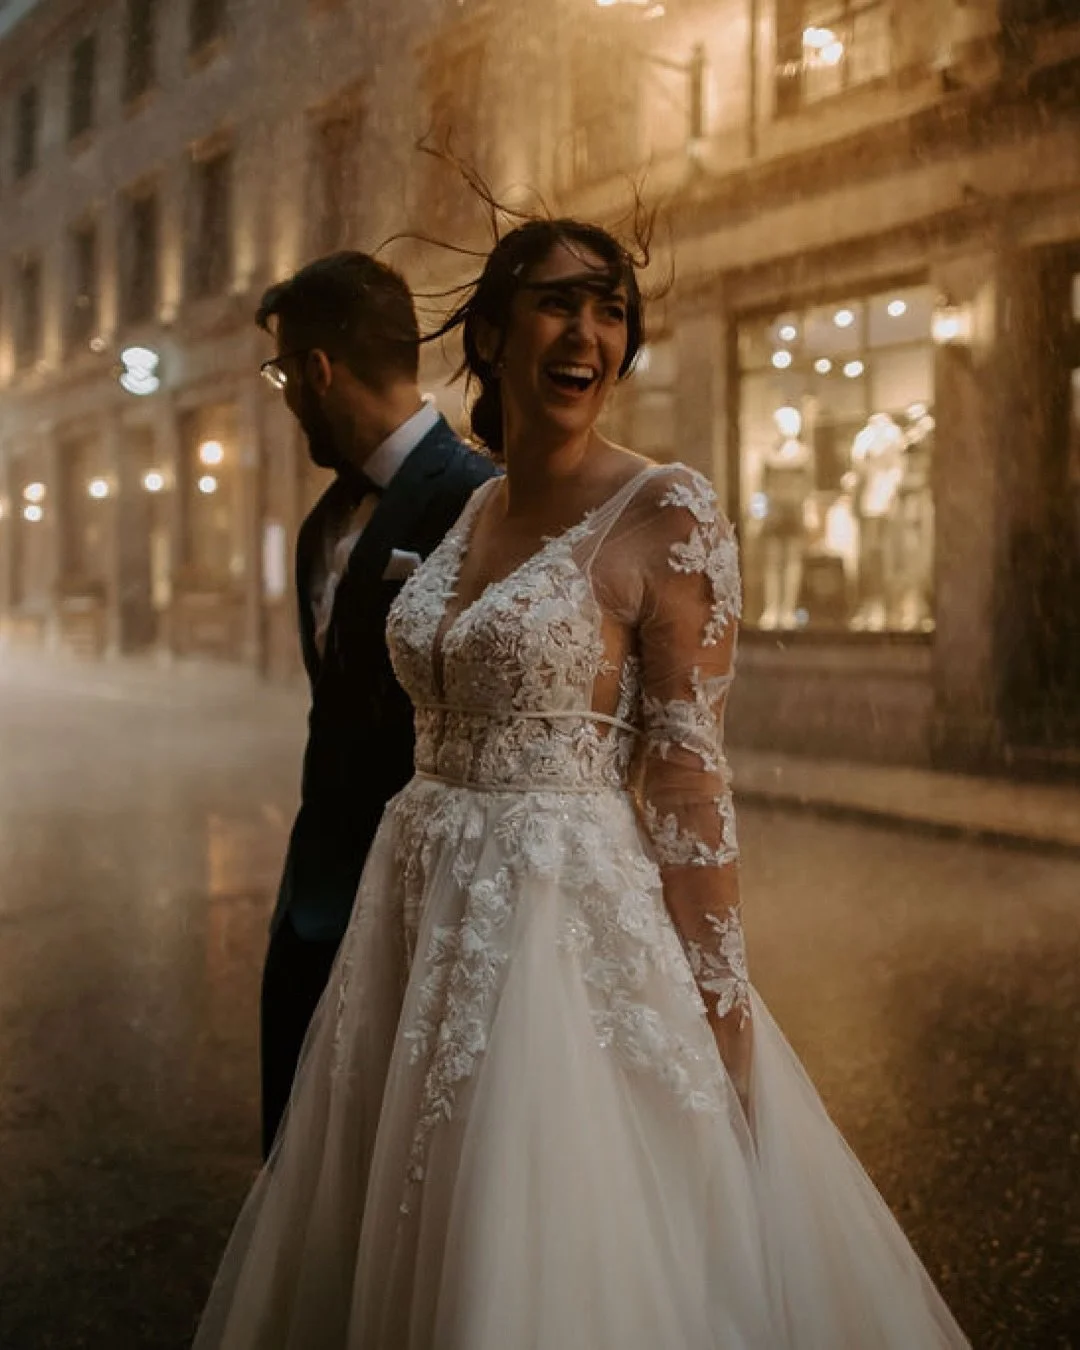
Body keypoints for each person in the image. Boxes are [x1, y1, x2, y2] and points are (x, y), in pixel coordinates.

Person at [195, 222, 971, 1348]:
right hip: (411, 927)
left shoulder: (667, 513)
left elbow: (690, 781)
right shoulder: (468, 512)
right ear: (494, 333)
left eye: (611, 311)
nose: (589, 333)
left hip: (557, 947)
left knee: (524, 1245)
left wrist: (720, 1007)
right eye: (561, 304)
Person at [254, 252, 497, 1158]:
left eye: (284, 373)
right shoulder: (323, 524)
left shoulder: (481, 502)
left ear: (318, 370)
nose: (285, 396)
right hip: (315, 905)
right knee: (305, 1161)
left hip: (427, 912)